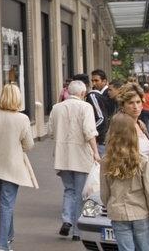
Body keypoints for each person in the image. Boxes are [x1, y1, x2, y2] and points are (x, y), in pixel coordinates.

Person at [0, 84, 38, 251]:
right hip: (12, 166)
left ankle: (8, 234)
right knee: (7, 204)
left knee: (5, 202)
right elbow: (28, 144)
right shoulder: (22, 119)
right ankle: (2, 245)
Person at [47, 79, 100, 241]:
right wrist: (96, 152)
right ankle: (77, 231)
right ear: (83, 93)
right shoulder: (86, 107)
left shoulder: (57, 108)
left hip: (63, 155)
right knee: (80, 193)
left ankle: (67, 220)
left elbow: (50, 132)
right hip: (81, 155)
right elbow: (89, 132)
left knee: (69, 190)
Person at [100, 113, 149, 251]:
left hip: (118, 212)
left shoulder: (106, 161)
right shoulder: (143, 160)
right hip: (141, 212)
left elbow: (104, 193)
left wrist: (110, 205)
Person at [75, 72, 110, 157]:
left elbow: (101, 119)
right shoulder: (88, 97)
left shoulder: (92, 96)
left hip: (98, 141)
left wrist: (89, 131)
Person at [116, 82, 149, 158]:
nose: (135, 107)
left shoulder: (141, 125)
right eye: (130, 103)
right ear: (123, 105)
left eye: (138, 102)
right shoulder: (119, 126)